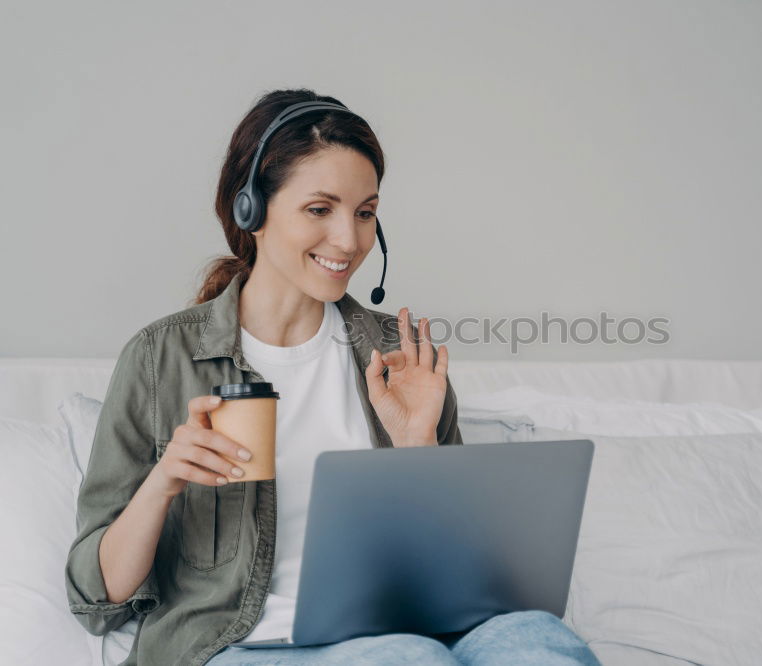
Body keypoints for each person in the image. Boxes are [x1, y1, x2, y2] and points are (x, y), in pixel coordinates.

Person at [65, 87, 601, 666]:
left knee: (542, 642)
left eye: (365, 212)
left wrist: (417, 445)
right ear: (252, 211)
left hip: (405, 631)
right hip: (241, 644)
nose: (350, 241)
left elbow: (455, 579)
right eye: (320, 209)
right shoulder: (158, 358)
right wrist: (165, 479)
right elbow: (98, 601)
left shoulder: (399, 355)